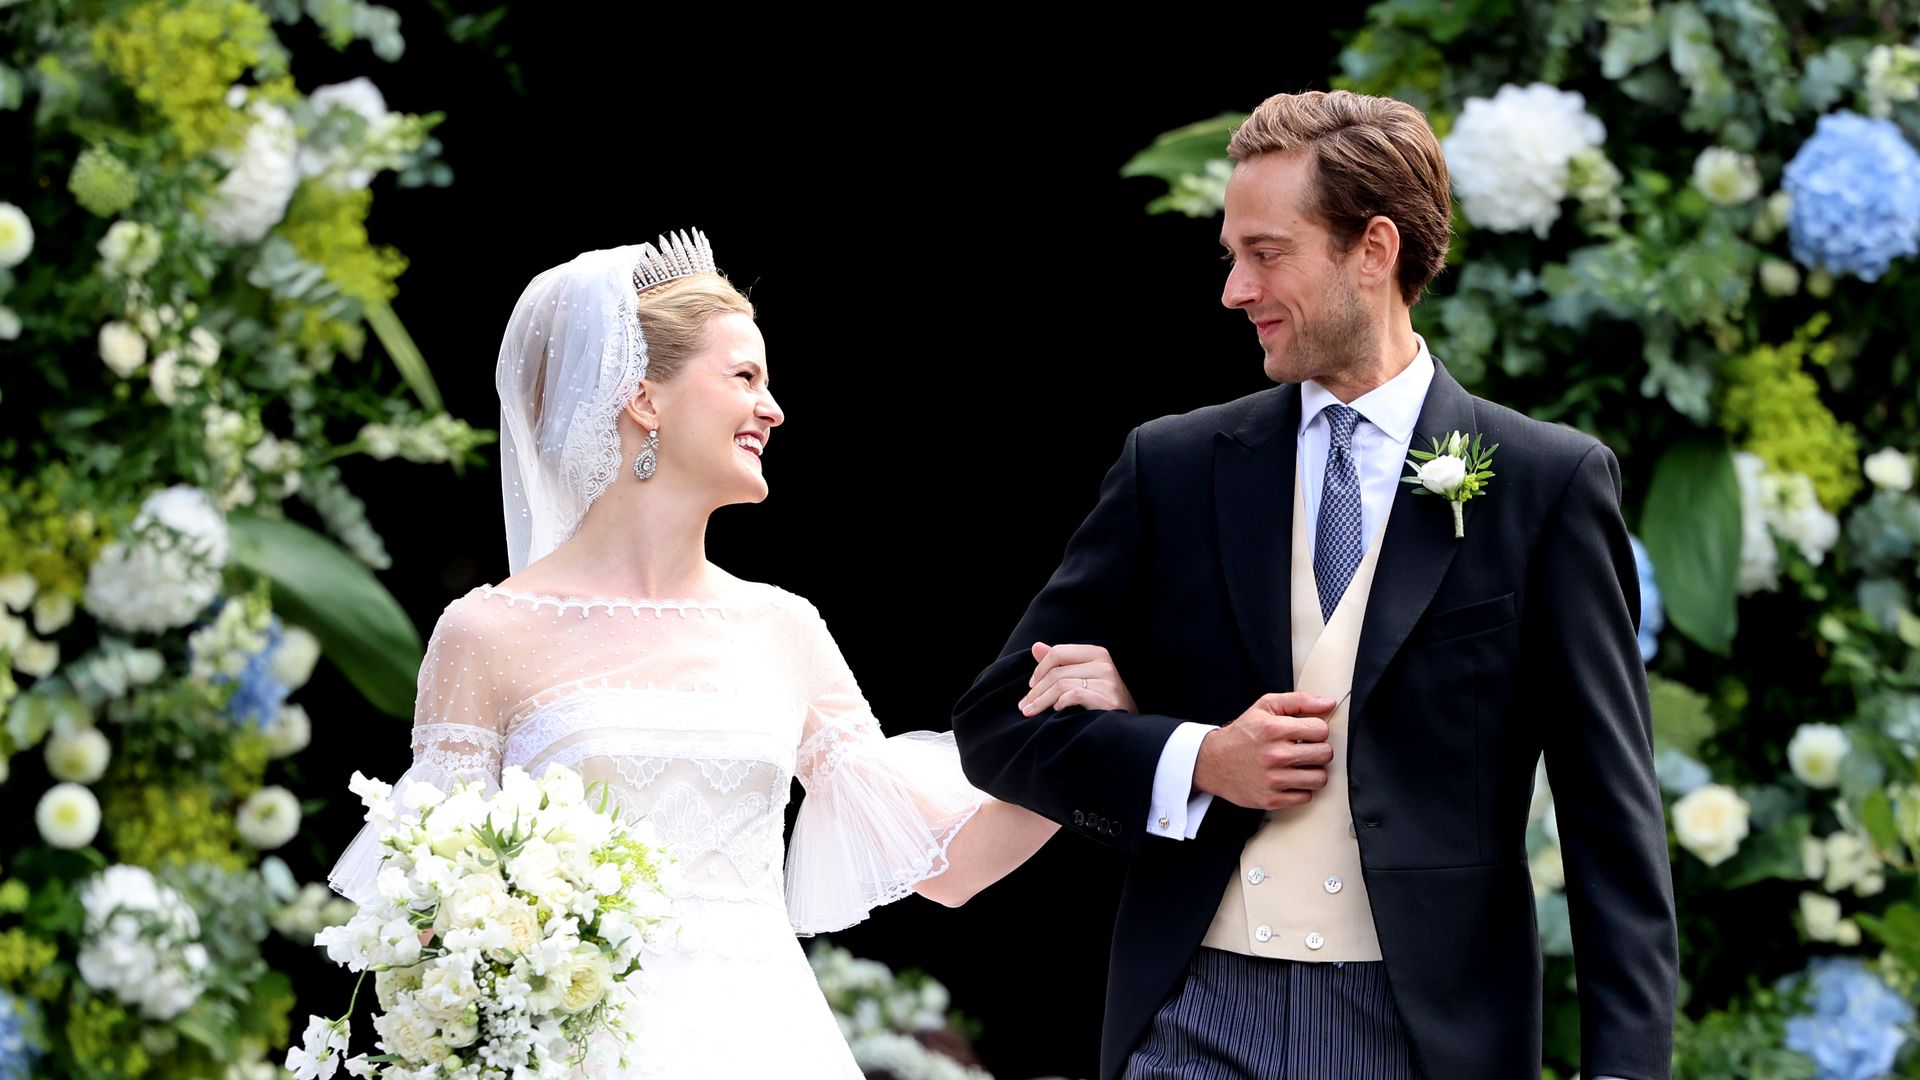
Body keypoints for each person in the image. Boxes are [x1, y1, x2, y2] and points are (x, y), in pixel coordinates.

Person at [952, 90, 1678, 1080]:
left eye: (1267, 251)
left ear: (1373, 250)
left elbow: (1612, 826)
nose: (1234, 288)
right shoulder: (1175, 467)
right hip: (1192, 1012)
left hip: (1425, 1034)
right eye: (1232, 256)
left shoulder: (1542, 483)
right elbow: (997, 724)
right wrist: (1198, 758)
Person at [328, 233, 1104, 1077]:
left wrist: (1089, 746)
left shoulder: (785, 629)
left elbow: (945, 864)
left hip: (769, 1043)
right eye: (744, 377)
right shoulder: (488, 633)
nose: (774, 408)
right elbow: (427, 917)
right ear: (645, 401)